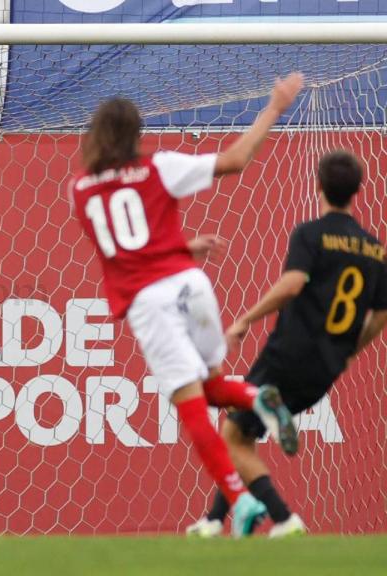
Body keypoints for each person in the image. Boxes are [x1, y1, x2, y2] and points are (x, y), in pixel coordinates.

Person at [68, 73, 304, 537]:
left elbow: (121, 247)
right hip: (192, 287)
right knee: (213, 389)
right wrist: (274, 107)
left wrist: (173, 249)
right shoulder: (161, 166)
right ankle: (260, 398)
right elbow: (236, 160)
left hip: (149, 300)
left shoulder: (80, 189)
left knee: (190, 406)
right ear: (138, 133)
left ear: (94, 136)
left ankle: (239, 500)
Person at [186, 150, 387, 538]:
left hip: (290, 353)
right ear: (358, 191)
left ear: (317, 185)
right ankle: (213, 521)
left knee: (232, 436)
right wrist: (348, 352)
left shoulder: (311, 234)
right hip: (326, 367)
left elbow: (293, 284)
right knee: (243, 432)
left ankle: (284, 519)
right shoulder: (376, 250)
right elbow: (380, 316)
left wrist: (245, 319)